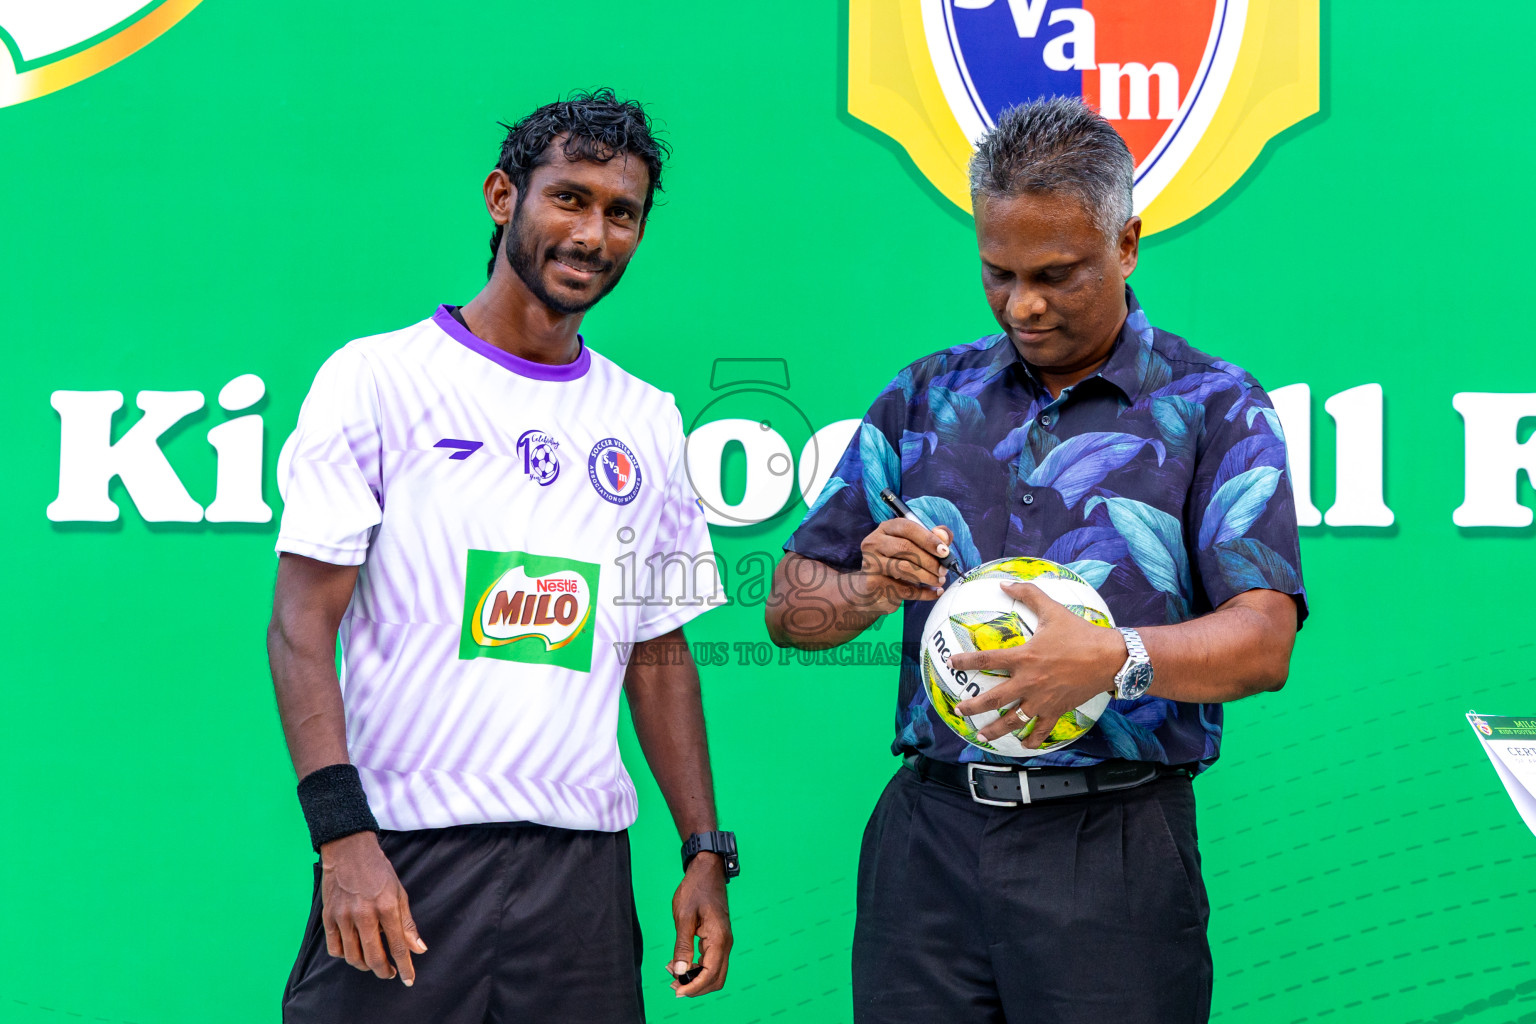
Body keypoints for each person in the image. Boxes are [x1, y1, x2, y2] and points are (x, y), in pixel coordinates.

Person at [766, 97, 1306, 1024]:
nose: (1024, 304)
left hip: (1116, 848)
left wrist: (1114, 659)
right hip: (927, 847)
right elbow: (790, 606)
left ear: (1127, 244)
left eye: (1058, 274)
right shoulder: (924, 396)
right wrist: (866, 587)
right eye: (998, 273)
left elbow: (1263, 641)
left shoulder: (1217, 407)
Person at [269, 89, 735, 1024]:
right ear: (501, 197)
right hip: (405, 853)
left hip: (581, 877)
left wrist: (704, 850)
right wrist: (341, 839)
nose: (593, 234)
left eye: (621, 213)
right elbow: (298, 625)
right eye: (568, 198)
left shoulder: (646, 417)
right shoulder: (377, 377)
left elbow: (659, 651)